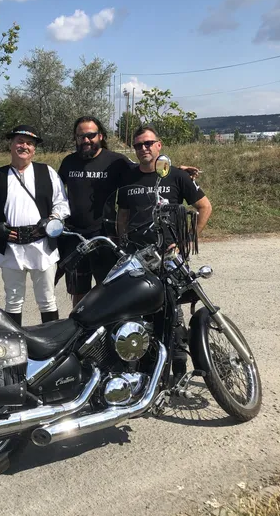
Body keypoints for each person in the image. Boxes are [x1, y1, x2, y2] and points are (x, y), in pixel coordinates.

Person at [117, 123, 212, 380]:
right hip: (138, 257)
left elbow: (205, 207)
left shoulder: (177, 176)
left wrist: (186, 241)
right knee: (142, 313)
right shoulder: (128, 178)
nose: (144, 148)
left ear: (159, 145)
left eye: (148, 143)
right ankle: (148, 368)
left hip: (171, 256)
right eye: (138, 145)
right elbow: (123, 215)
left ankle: (178, 366)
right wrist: (123, 245)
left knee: (174, 311)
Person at [0, 124, 70, 325]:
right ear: (11, 145)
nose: (24, 146)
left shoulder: (47, 172)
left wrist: (52, 218)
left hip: (42, 245)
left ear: (34, 149)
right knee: (13, 300)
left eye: (29, 143)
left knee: (47, 299)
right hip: (11, 247)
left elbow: (62, 204)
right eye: (20, 141)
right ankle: (15, 341)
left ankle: (50, 340)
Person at [58, 116, 134, 307]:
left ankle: (108, 325)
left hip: (105, 237)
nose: (86, 140)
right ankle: (80, 325)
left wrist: (173, 170)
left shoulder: (116, 161)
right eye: (81, 136)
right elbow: (52, 192)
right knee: (78, 294)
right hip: (74, 238)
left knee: (108, 291)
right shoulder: (68, 162)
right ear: (76, 138)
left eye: (91, 135)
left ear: (100, 135)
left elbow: (144, 172)